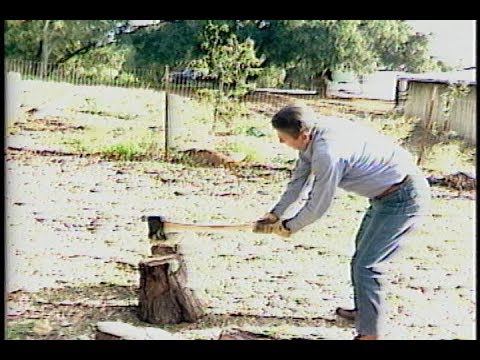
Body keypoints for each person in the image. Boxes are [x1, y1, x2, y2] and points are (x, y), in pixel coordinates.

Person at [253, 104, 431, 340]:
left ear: (303, 135)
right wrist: (276, 215)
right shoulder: (312, 138)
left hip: (403, 198)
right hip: (383, 198)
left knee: (368, 265)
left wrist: (289, 227)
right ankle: (364, 311)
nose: (280, 142)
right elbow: (298, 182)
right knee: (361, 255)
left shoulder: (327, 153)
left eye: (282, 138)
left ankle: (370, 334)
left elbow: (318, 204)